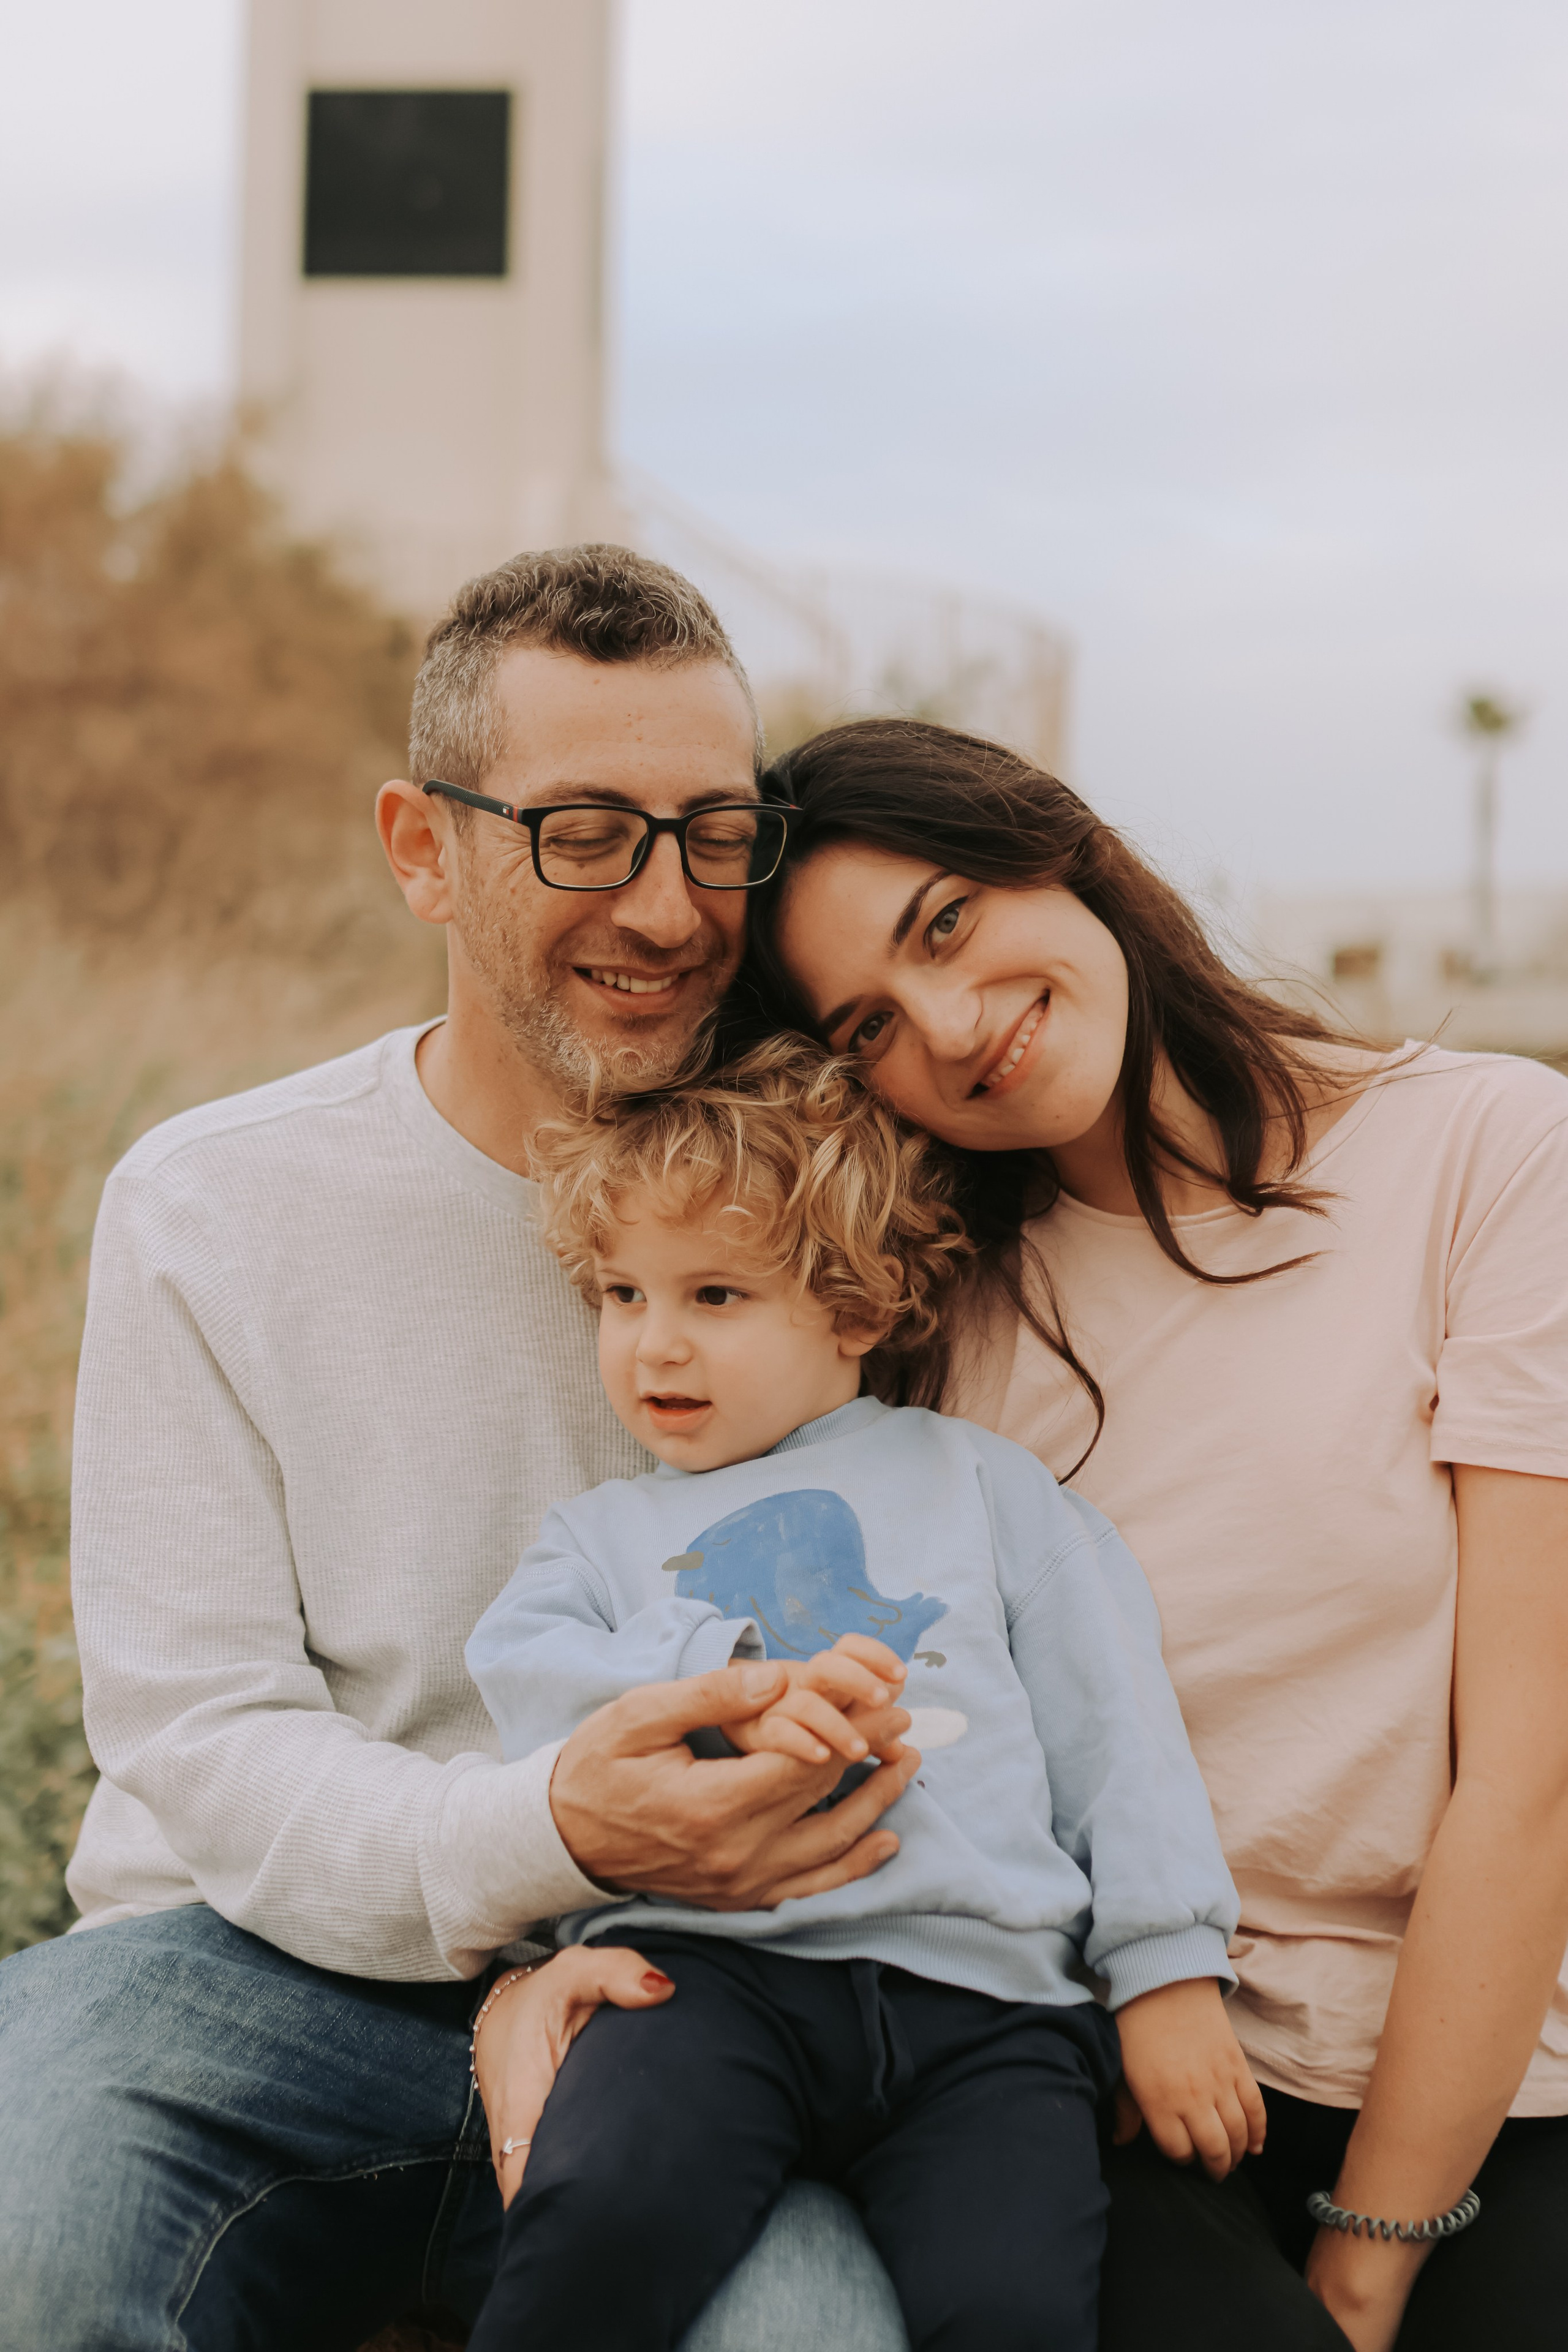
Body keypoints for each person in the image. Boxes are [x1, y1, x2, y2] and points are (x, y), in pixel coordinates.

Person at [0, 551, 919, 2352]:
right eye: (583, 831)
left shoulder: (842, 1201)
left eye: (713, 832)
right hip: (238, 1966)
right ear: (423, 847)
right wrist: (546, 1830)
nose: (666, 906)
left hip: (690, 1997)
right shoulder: (213, 1205)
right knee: (32, 2249)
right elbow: (204, 1740)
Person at [734, 714, 1568, 2352]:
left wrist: (1371, 2251)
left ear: (1057, 845)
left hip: (1486, 2058)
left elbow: (1530, 1772)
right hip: (1100, 2061)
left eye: (950, 925)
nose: (957, 1028)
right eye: (873, 1025)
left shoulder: (1487, 1152)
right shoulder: (928, 1320)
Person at [459, 1038, 1257, 2352]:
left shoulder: (983, 1488)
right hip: (706, 1987)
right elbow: (529, 1687)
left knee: (1011, 2305)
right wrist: (720, 1679)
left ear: (855, 1308)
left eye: (714, 1296)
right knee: (598, 2219)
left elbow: (1116, 1730)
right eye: (620, 1294)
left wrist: (1166, 1972)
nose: (653, 1344)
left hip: (986, 2011)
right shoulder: (597, 1537)